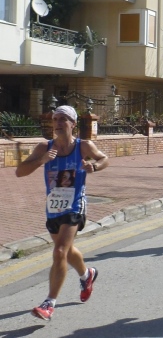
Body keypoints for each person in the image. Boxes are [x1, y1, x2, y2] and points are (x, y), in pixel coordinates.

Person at [16, 105, 109, 321]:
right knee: (66, 250)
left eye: (63, 119)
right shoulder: (44, 147)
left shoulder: (83, 146)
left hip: (75, 204)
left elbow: (104, 159)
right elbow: (20, 172)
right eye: (55, 119)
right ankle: (87, 275)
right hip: (53, 206)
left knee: (59, 252)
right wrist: (42, 160)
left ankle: (49, 303)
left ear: (73, 124)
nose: (57, 123)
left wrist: (94, 167)